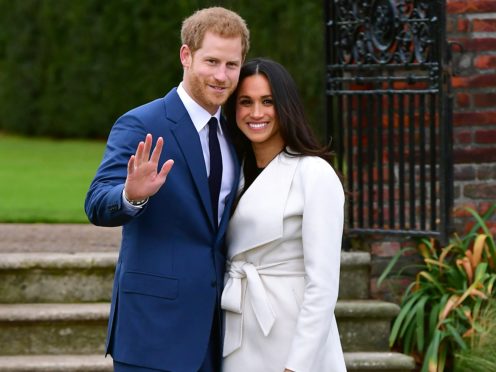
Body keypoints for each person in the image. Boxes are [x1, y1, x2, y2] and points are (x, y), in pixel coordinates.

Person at [84, 7, 249, 372]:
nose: (222, 76)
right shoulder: (142, 122)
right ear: (186, 56)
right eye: (211, 61)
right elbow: (96, 203)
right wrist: (132, 195)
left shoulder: (237, 134)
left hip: (215, 332)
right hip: (152, 331)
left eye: (232, 65)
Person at [221, 58, 347, 372]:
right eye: (245, 102)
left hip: (293, 337)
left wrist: (298, 366)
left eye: (268, 101)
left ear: (286, 106)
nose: (256, 113)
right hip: (238, 330)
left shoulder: (313, 173)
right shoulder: (231, 174)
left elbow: (323, 285)